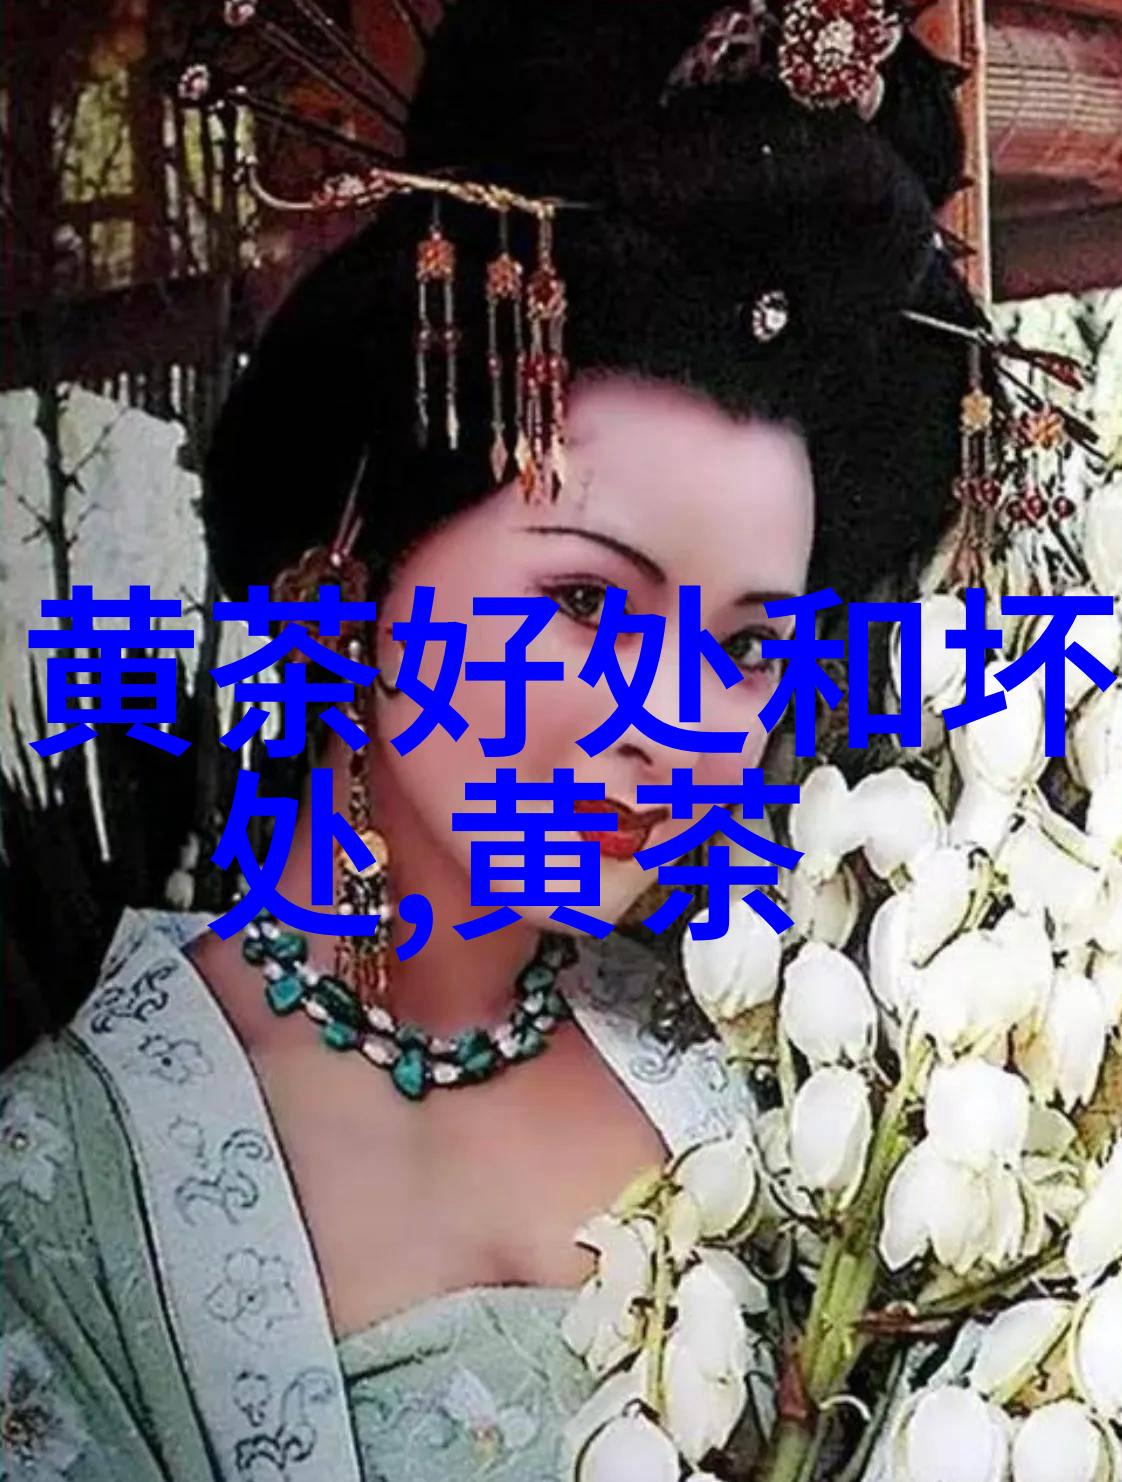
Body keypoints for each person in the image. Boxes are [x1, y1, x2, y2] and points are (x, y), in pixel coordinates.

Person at [0, 3, 982, 1478]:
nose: (675, 725)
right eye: (585, 601)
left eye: (744, 646)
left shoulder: (771, 1079)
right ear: (348, 570)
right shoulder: (69, 1188)